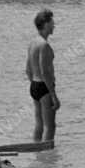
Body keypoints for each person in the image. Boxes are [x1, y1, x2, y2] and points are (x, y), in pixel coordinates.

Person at [24, 9, 59, 142]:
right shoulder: (44, 45)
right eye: (52, 22)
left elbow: (28, 69)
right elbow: (45, 72)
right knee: (50, 126)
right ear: (45, 24)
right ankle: (46, 158)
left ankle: (37, 154)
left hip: (34, 85)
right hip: (44, 88)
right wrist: (54, 96)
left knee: (39, 124)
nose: (54, 25)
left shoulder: (33, 43)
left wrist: (34, 85)